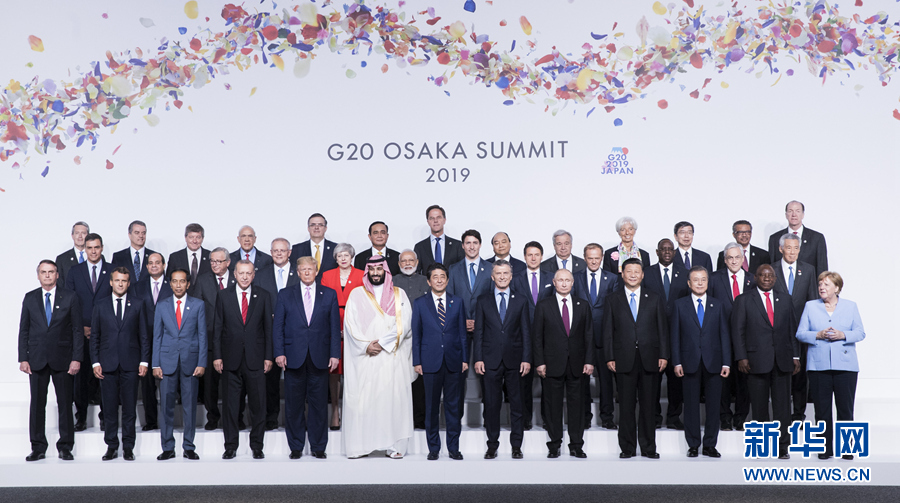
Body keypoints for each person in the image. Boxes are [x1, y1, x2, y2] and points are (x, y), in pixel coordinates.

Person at [342, 256, 415, 459]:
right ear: (367, 271)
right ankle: (361, 446)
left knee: (393, 401)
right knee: (365, 403)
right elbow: (350, 325)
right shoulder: (356, 294)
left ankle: (394, 446)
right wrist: (366, 346)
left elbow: (404, 324)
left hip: (392, 358)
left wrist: (381, 343)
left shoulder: (399, 294)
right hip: (366, 359)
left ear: (386, 271)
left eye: (379, 268)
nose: (375, 273)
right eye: (372, 269)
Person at [273, 256, 341, 460]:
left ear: (316, 271)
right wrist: (279, 352)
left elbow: (334, 327)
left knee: (318, 405)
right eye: (303, 269)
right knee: (294, 405)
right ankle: (296, 446)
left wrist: (335, 354)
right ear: (298, 272)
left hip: (320, 357)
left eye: (310, 269)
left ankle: (318, 446)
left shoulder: (329, 294)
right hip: (293, 356)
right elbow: (278, 327)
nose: (307, 272)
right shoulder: (285, 294)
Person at [731, 264, 800, 459]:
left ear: (775, 278)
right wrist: (741, 357)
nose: (767, 278)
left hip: (782, 360)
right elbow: (737, 331)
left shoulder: (785, 299)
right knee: (759, 407)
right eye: (763, 275)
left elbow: (792, 330)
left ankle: (782, 447)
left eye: (770, 275)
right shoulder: (743, 300)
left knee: (783, 407)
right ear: (755, 278)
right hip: (755, 361)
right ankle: (761, 445)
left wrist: (795, 356)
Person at [603, 258, 669, 459]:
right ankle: (627, 448)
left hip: (650, 358)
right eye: (629, 271)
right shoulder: (612, 299)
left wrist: (664, 354)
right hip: (623, 358)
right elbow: (608, 331)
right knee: (626, 406)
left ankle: (649, 448)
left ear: (642, 275)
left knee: (649, 406)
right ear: (622, 274)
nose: (633, 275)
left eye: (636, 271)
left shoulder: (654, 297)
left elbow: (662, 329)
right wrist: (609, 356)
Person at [796, 271, 865, 460]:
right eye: (820, 284)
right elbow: (800, 333)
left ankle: (848, 449)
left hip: (846, 367)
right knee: (822, 410)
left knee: (845, 410)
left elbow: (860, 332)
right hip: (819, 366)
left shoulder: (850, 306)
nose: (821, 287)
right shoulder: (810, 306)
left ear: (837, 288)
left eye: (826, 284)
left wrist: (843, 335)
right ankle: (825, 449)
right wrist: (817, 335)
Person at [18, 260, 83, 461]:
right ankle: (38, 447)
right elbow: (24, 330)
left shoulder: (70, 297)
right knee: (37, 405)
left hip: (63, 359)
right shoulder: (30, 298)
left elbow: (77, 330)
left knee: (65, 404)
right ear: (38, 275)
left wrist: (77, 358)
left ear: (57, 275)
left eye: (51, 272)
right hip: (36, 359)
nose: (47, 275)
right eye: (43, 272)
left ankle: (65, 446)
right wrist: (23, 358)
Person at [212, 260, 274, 460]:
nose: (245, 277)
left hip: (256, 359)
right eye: (241, 273)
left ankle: (257, 446)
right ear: (235, 274)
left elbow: (268, 329)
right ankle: (230, 446)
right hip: (230, 359)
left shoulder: (263, 295)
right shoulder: (223, 295)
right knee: (231, 407)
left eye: (248, 273)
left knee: (258, 406)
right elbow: (218, 328)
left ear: (253, 275)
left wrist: (268, 356)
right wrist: (217, 356)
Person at [90, 267, 150, 461]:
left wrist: (144, 361)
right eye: (117, 280)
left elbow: (144, 335)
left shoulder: (138, 304)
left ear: (128, 283)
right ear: (111, 282)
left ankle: (128, 447)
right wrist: (95, 362)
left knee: (129, 409)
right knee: (109, 409)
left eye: (124, 280)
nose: (120, 284)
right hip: (106, 365)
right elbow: (95, 336)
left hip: (131, 364)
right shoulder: (100, 305)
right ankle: (111, 446)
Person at [670, 266, 731, 458]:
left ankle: (710, 445)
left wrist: (726, 362)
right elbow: (675, 336)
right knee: (690, 406)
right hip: (688, 362)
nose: (699, 283)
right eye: (696, 280)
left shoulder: (717, 305)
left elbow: (724, 335)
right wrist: (677, 362)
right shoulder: (679, 305)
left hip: (714, 362)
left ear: (708, 282)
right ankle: (693, 444)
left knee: (713, 406)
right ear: (689, 283)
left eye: (703, 279)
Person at [474, 260, 531, 459]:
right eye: (498, 273)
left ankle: (516, 446)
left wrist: (526, 358)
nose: (502, 277)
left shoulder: (521, 300)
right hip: (490, 361)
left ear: (511, 276)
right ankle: (492, 445)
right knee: (492, 405)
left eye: (506, 273)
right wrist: (478, 358)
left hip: (515, 360)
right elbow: (479, 332)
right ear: (492, 277)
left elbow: (526, 332)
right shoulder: (483, 300)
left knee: (517, 405)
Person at [533, 269, 593, 458]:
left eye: (568, 280)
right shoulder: (544, 305)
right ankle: (554, 444)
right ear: (554, 282)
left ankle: (576, 445)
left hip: (577, 364)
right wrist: (539, 362)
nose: (564, 283)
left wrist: (589, 361)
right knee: (553, 407)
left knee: (577, 407)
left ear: (573, 283)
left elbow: (589, 336)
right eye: (561, 280)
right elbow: (537, 337)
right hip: (551, 364)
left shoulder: (583, 305)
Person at [412, 263, 467, 460]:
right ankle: (433, 448)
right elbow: (416, 335)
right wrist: (417, 361)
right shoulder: (420, 303)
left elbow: (462, 334)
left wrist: (464, 359)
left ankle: (453, 448)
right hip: (429, 361)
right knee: (431, 407)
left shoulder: (457, 302)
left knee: (453, 407)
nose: (439, 280)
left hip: (453, 361)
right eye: (435, 277)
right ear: (429, 281)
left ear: (447, 280)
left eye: (442, 276)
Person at [153, 269, 207, 461]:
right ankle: (167, 447)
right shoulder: (162, 305)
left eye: (182, 281)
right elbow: (157, 336)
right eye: (175, 281)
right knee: (166, 407)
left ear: (188, 284)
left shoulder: (198, 305)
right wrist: (155, 364)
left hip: (190, 362)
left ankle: (189, 446)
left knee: (189, 407)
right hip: (166, 361)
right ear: (170, 283)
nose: (178, 285)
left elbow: (202, 335)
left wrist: (202, 362)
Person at [65, 232, 112, 431]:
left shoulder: (111, 270)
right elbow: (69, 301)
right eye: (90, 248)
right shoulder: (75, 271)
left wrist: (102, 327)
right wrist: (81, 327)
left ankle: (105, 417)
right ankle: (81, 417)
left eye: (97, 247)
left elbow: (116, 299)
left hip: (106, 333)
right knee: (81, 378)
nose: (93, 251)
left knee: (105, 376)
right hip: (81, 333)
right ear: (84, 249)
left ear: (102, 248)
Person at [642, 238, 689, 430]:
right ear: (657, 252)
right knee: (653, 379)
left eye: (670, 249)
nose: (667, 252)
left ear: (675, 252)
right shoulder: (647, 273)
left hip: (678, 335)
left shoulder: (685, 273)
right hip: (652, 335)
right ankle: (654, 416)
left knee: (676, 380)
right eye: (663, 249)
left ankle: (673, 417)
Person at [447, 229, 493, 423]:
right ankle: (456, 418)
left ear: (480, 245)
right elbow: (450, 299)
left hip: (485, 330)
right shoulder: (453, 269)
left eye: (475, 242)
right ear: (463, 246)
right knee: (458, 375)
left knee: (487, 374)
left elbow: (492, 300)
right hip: (460, 329)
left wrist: (479, 322)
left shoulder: (490, 268)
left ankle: (488, 417)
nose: (472, 246)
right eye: (468, 243)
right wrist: (462, 321)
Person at [572, 243, 619, 430]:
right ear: (584, 258)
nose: (593, 261)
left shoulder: (612, 279)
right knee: (581, 380)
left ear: (602, 258)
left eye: (597, 258)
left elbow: (615, 308)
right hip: (580, 338)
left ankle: (607, 417)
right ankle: (584, 417)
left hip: (603, 337)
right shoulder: (575, 277)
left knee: (606, 381)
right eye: (590, 258)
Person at [709, 243, 755, 431]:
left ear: (743, 258)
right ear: (725, 260)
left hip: (746, 338)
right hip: (721, 337)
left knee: (744, 380)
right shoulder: (714, 279)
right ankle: (725, 417)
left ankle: (740, 417)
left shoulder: (753, 279)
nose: (734, 261)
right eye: (730, 258)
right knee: (723, 381)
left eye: (737, 257)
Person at [255, 238, 300, 430]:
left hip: (296, 335)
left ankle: (295, 421)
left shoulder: (300, 272)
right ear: (271, 253)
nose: (279, 254)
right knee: (270, 381)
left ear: (289, 253)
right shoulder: (261, 274)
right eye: (275, 251)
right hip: (270, 335)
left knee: (296, 381)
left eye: (283, 250)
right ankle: (271, 419)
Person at [773, 233, 818, 422]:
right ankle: (781, 415)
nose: (792, 252)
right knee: (781, 374)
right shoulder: (771, 269)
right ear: (781, 249)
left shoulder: (808, 270)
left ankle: (799, 414)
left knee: (800, 375)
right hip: (778, 330)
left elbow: (813, 299)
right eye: (788, 247)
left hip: (801, 329)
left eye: (796, 248)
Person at [320, 243, 365, 430]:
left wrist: (353, 328)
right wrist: (332, 328)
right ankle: (335, 411)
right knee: (334, 370)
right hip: (332, 323)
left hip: (356, 324)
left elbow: (366, 303)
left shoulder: (361, 274)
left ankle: (354, 413)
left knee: (354, 370)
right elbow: (322, 303)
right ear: (335, 258)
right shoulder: (327, 275)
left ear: (352, 256)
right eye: (340, 256)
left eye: (346, 255)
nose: (343, 258)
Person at [195, 247, 240, 431]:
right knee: (210, 384)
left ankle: (236, 418)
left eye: (218, 261)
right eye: (212, 261)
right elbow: (197, 308)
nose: (214, 264)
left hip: (234, 339)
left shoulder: (238, 277)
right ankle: (212, 417)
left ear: (228, 263)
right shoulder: (202, 280)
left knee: (234, 383)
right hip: (210, 338)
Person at [511, 241, 555, 430]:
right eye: (530, 254)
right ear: (524, 257)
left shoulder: (551, 277)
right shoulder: (515, 279)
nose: (533, 258)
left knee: (548, 381)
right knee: (524, 380)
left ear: (542, 256)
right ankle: (525, 419)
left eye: (537, 254)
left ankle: (547, 419)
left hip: (548, 336)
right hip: (523, 335)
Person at [132, 252, 172, 431]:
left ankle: (167, 422)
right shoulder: (137, 287)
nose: (154, 265)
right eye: (150, 263)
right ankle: (151, 421)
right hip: (145, 342)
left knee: (168, 384)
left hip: (169, 341)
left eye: (158, 262)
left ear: (163, 265)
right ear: (146, 266)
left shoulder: (173, 284)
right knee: (147, 384)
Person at [393, 249, 431, 430]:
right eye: (404, 261)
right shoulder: (392, 282)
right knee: (399, 380)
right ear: (399, 264)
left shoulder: (426, 281)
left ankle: (420, 419)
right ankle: (400, 420)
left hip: (422, 338)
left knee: (420, 380)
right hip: (397, 340)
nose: (407, 263)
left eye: (411, 260)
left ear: (417, 262)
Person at [768, 200, 828, 273]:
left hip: (809, 280)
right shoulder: (775, 239)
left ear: (803, 215)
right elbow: (771, 267)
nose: (794, 214)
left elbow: (822, 269)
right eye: (790, 211)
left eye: (798, 211)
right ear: (786, 215)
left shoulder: (817, 238)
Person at [414, 205, 464, 273]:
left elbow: (462, 270)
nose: (435, 221)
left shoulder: (457, 245)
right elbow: (417, 273)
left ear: (444, 220)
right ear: (428, 222)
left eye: (439, 217)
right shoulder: (419, 247)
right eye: (432, 218)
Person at [166, 223, 211, 293]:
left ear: (202, 238)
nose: (194, 241)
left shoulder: (210, 256)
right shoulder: (175, 257)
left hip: (205, 297)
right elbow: (169, 280)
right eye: (191, 237)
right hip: (182, 297)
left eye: (198, 237)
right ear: (185, 238)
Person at [291, 213, 338, 279]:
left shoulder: (336, 248)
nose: (316, 228)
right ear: (308, 228)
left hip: (329, 285)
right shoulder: (297, 249)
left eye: (320, 225)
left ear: (325, 228)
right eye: (313, 225)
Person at [112, 220, 157, 284]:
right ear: (129, 235)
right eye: (137, 233)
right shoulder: (118, 257)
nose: (141, 236)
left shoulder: (154, 256)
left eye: (143, 233)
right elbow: (114, 279)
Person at [55, 221, 93, 286]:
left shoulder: (97, 256)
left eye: (83, 233)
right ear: (72, 236)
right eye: (77, 233)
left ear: (88, 236)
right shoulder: (61, 259)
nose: (80, 236)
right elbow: (59, 284)